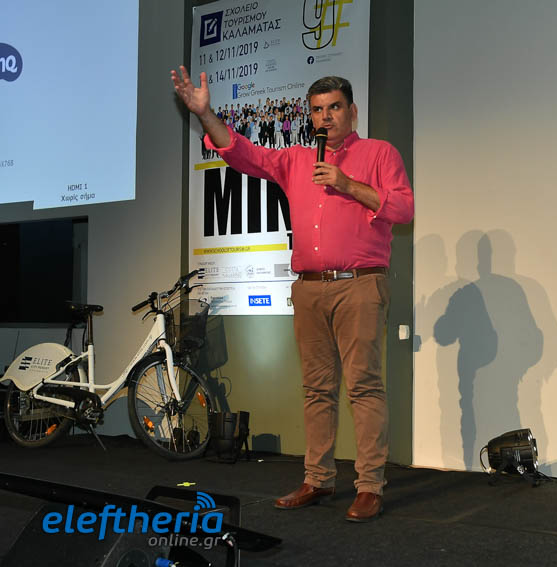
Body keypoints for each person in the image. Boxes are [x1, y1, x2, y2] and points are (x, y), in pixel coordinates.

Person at [170, 67, 413, 522]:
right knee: (317, 389)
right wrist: (205, 114)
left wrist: (347, 184)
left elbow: (403, 207)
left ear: (352, 111)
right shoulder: (296, 159)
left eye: (334, 107)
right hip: (309, 288)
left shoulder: (379, 153)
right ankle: (318, 479)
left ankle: (369, 486)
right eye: (318, 110)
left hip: (359, 284)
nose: (326, 117)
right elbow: (242, 153)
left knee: (363, 387)